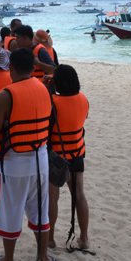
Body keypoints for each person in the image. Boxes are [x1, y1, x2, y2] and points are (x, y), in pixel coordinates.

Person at [0, 48, 54, 261]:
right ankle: (43, 260)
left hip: (13, 163)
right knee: (40, 212)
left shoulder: (6, 95)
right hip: (40, 160)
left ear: (10, 68)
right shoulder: (44, 88)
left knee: (10, 211)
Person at [46, 65, 90, 250]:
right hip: (77, 153)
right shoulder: (83, 99)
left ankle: (50, 239)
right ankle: (84, 238)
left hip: (57, 158)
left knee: (53, 199)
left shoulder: (52, 102)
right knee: (79, 195)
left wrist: (48, 90)